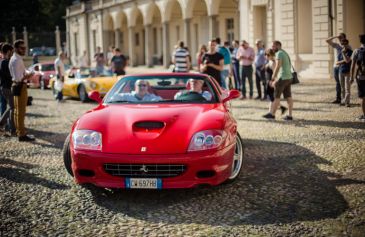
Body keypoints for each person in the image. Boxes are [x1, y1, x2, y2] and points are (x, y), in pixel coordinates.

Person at [9, 39, 35, 141]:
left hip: (16, 85)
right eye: (22, 48)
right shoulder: (16, 60)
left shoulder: (15, 58)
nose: (24, 49)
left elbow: (19, 74)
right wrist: (30, 75)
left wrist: (26, 73)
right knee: (20, 111)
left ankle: (19, 131)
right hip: (20, 86)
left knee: (17, 111)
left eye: (25, 48)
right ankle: (21, 134)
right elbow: (20, 78)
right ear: (16, 48)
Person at [263, 41, 293, 120]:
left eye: (273, 46)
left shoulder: (279, 53)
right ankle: (290, 115)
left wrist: (273, 77)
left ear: (278, 46)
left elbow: (278, 65)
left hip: (282, 77)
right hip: (288, 77)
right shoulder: (284, 52)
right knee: (288, 97)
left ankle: (272, 114)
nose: (272, 48)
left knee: (276, 97)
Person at [326, 33, 350, 104]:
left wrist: (340, 62)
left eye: (341, 37)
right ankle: (338, 99)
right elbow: (327, 40)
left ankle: (344, 100)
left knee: (343, 84)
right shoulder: (336, 45)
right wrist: (335, 36)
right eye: (339, 38)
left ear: (344, 38)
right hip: (335, 67)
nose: (339, 39)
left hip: (342, 67)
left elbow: (349, 58)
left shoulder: (348, 46)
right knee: (337, 83)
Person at [264, 48, 287, 115]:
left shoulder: (274, 62)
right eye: (265, 54)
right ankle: (282, 107)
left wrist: (273, 82)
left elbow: (275, 73)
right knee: (271, 97)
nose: (266, 56)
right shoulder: (270, 61)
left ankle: (270, 113)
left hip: (271, 82)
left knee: (272, 98)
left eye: (268, 55)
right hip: (268, 81)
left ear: (272, 55)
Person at [0, 43, 15, 136]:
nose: (12, 53)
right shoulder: (5, 62)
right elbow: (9, 76)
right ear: (9, 51)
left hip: (4, 87)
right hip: (7, 88)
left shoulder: (3, 61)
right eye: (12, 51)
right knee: (12, 107)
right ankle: (5, 125)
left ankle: (11, 128)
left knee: (11, 107)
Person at [350, 34, 365, 120]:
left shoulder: (356, 51)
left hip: (361, 77)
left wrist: (352, 77)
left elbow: (352, 66)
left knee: (363, 97)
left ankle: (364, 115)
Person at [337, 39, 353, 107]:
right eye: (342, 44)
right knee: (342, 88)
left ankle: (347, 102)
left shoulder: (350, 52)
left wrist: (344, 54)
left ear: (347, 44)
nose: (344, 45)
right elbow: (337, 62)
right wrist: (343, 61)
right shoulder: (340, 52)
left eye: (345, 44)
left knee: (347, 88)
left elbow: (347, 61)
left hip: (347, 72)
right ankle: (343, 101)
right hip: (341, 71)